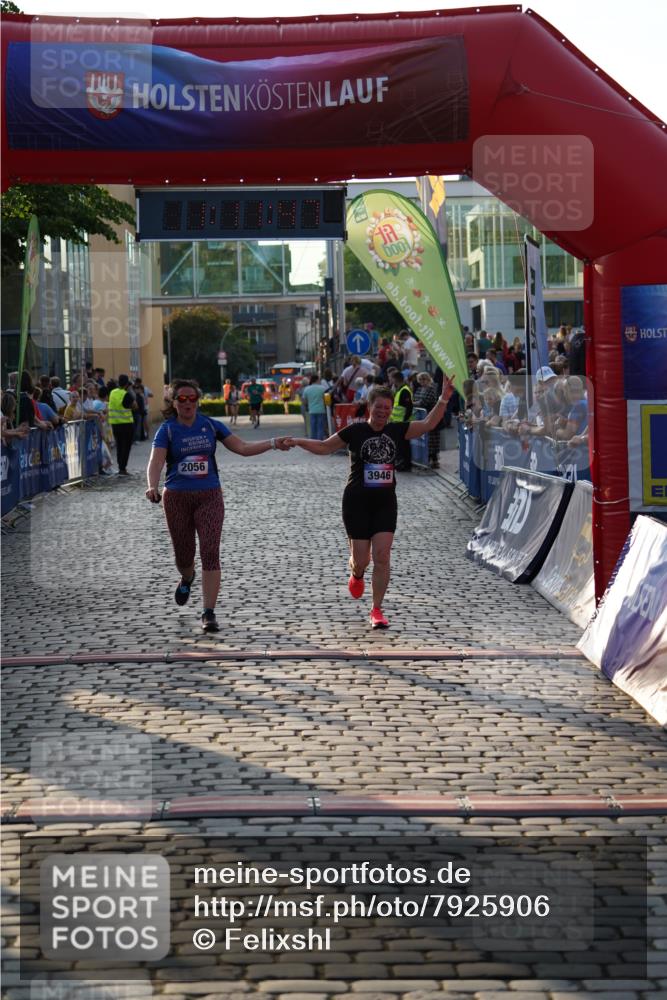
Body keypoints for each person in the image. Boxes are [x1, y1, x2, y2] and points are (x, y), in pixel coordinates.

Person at [286, 379, 455, 630]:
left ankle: (376, 609)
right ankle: (357, 573)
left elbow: (429, 423)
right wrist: (298, 441)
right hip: (357, 503)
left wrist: (444, 397)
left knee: (382, 556)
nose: (383, 412)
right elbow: (324, 447)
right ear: (369, 407)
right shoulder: (355, 432)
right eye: (379, 407)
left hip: (385, 503)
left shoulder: (397, 430)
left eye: (387, 408)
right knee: (361, 560)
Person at [145, 379, 292, 633]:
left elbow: (242, 447)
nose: (188, 403)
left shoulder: (211, 426)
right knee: (184, 555)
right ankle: (187, 577)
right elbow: (156, 461)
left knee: (210, 551)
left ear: (198, 401)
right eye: (182, 399)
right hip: (176, 498)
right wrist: (152, 486)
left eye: (192, 398)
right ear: (174, 402)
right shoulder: (167, 430)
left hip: (210, 496)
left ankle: (208, 612)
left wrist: (272, 443)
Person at [108, 374, 137, 475]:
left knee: (119, 445)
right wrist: (130, 391)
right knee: (126, 446)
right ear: (126, 384)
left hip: (115, 424)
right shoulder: (126, 394)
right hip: (126, 424)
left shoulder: (112, 392)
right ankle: (122, 468)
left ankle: (120, 466)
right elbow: (135, 406)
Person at [414, 372, 441, 469]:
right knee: (425, 439)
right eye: (420, 379)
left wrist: (414, 403)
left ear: (429, 380)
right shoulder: (419, 389)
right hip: (422, 419)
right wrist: (416, 402)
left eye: (424, 379)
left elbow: (424, 402)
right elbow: (416, 399)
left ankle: (434, 460)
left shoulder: (431, 390)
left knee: (432, 440)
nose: (422, 381)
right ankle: (426, 460)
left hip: (432, 418)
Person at [302, 373, 327, 440]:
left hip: (312, 411)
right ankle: (319, 441)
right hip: (321, 410)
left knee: (313, 428)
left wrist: (308, 405)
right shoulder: (323, 388)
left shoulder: (307, 389)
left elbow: (304, 401)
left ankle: (313, 441)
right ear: (317, 380)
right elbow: (326, 399)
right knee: (320, 427)